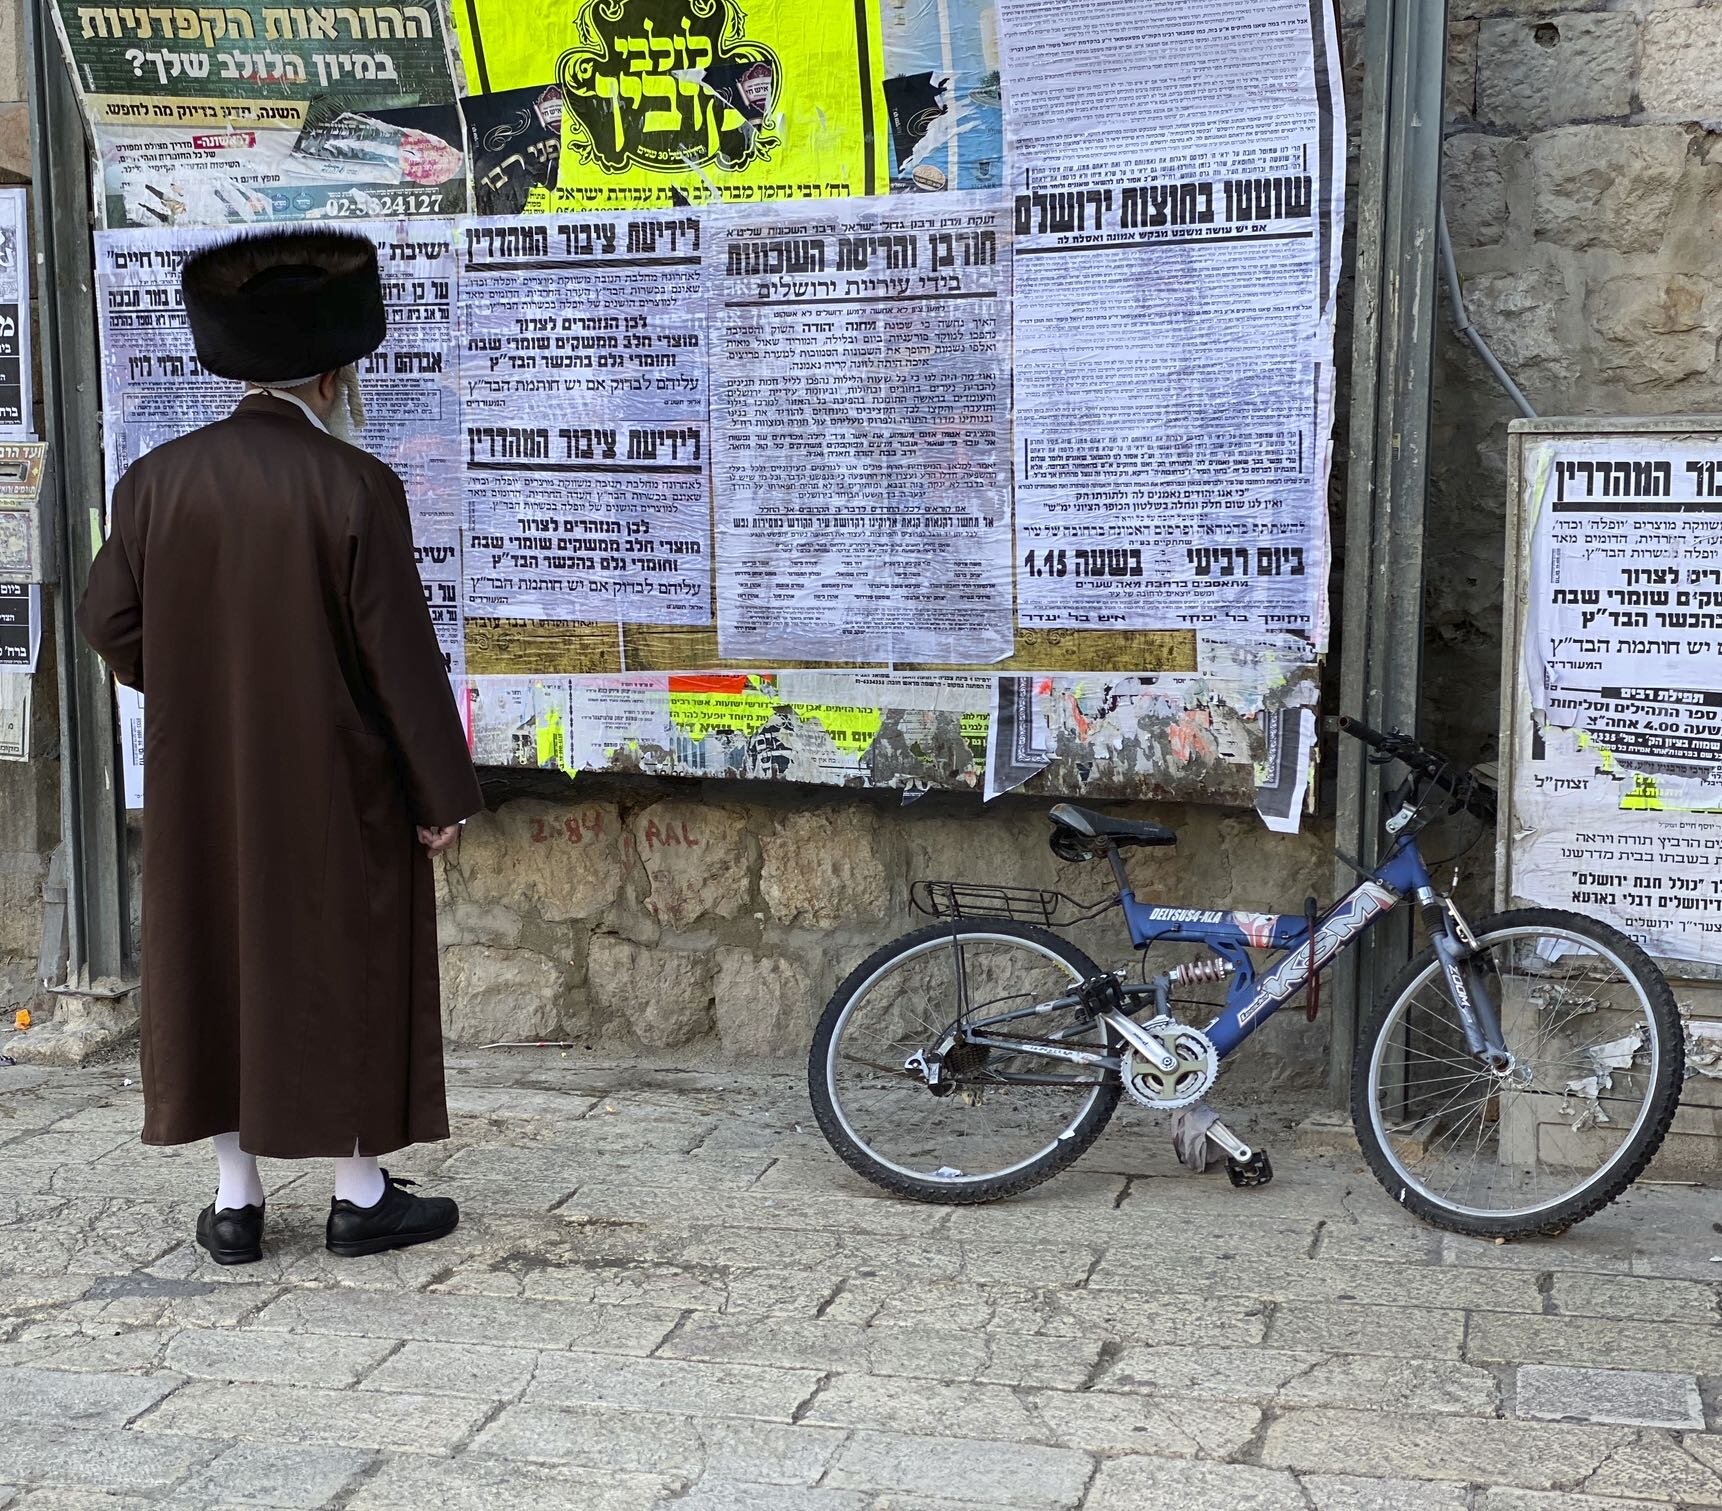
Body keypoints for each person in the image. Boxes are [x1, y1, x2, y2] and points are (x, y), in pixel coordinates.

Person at [77, 230, 483, 1264]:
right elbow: (401, 660)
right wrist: (439, 789)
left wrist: (199, 685)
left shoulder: (154, 482)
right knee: (344, 961)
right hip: (335, 781)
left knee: (213, 957)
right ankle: (358, 1192)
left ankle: (235, 1203)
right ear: (336, 373)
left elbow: (107, 621)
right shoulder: (355, 486)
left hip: (202, 774)